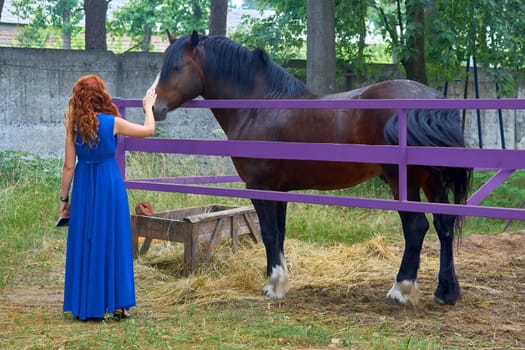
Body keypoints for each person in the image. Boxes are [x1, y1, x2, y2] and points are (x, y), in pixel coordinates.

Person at [59, 75, 157, 321]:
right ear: (101, 95)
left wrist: (64, 199)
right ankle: (119, 305)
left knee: (87, 240)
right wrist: (148, 108)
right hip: (109, 184)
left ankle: (86, 304)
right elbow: (149, 130)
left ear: (78, 98)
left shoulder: (73, 126)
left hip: (83, 186)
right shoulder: (112, 122)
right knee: (114, 239)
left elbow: (69, 166)